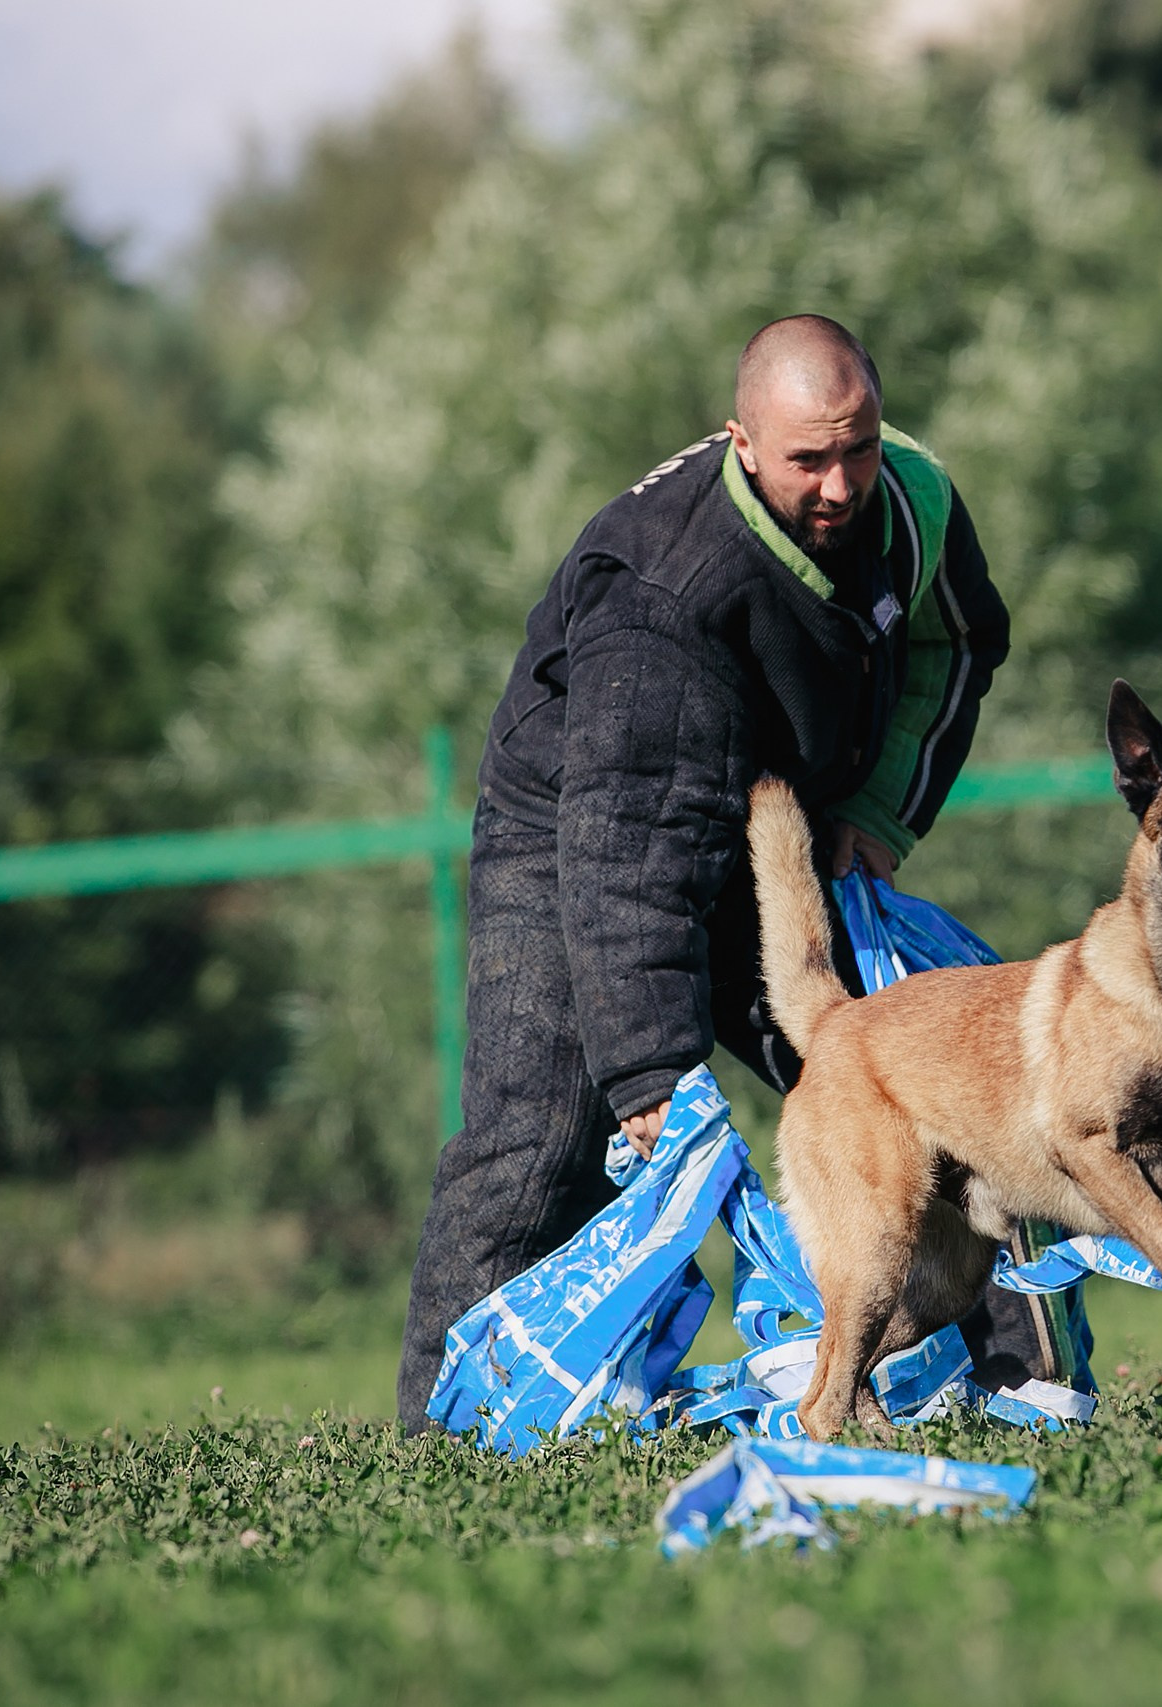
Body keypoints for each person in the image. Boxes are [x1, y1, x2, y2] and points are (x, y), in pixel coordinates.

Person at [397, 315, 1075, 1425]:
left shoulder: (916, 502)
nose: (841, 483)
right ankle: (442, 1435)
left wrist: (877, 814)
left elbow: (958, 646)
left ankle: (1017, 1382)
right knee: (535, 1146)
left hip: (782, 826)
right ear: (742, 445)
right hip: (575, 829)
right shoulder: (664, 597)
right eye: (809, 460)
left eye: (856, 446)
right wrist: (650, 1075)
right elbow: (628, 861)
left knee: (941, 1082)